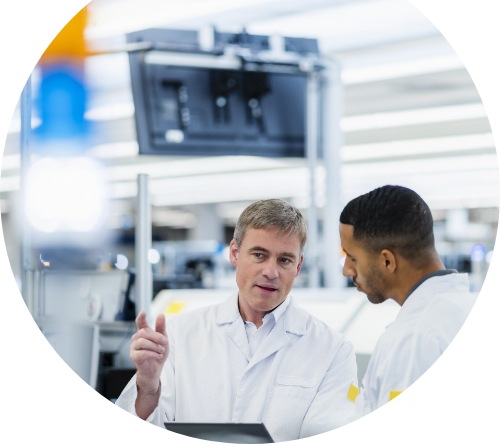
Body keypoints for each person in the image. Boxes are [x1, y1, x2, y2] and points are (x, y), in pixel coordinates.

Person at [116, 198, 359, 442]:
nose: (271, 272)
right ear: (234, 253)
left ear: (298, 266)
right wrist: (148, 388)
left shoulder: (332, 349)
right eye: (259, 255)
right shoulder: (178, 335)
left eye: (284, 260)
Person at [339, 184, 476, 415]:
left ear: (387, 261)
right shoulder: (464, 308)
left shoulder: (414, 338)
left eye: (352, 258)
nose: (346, 270)